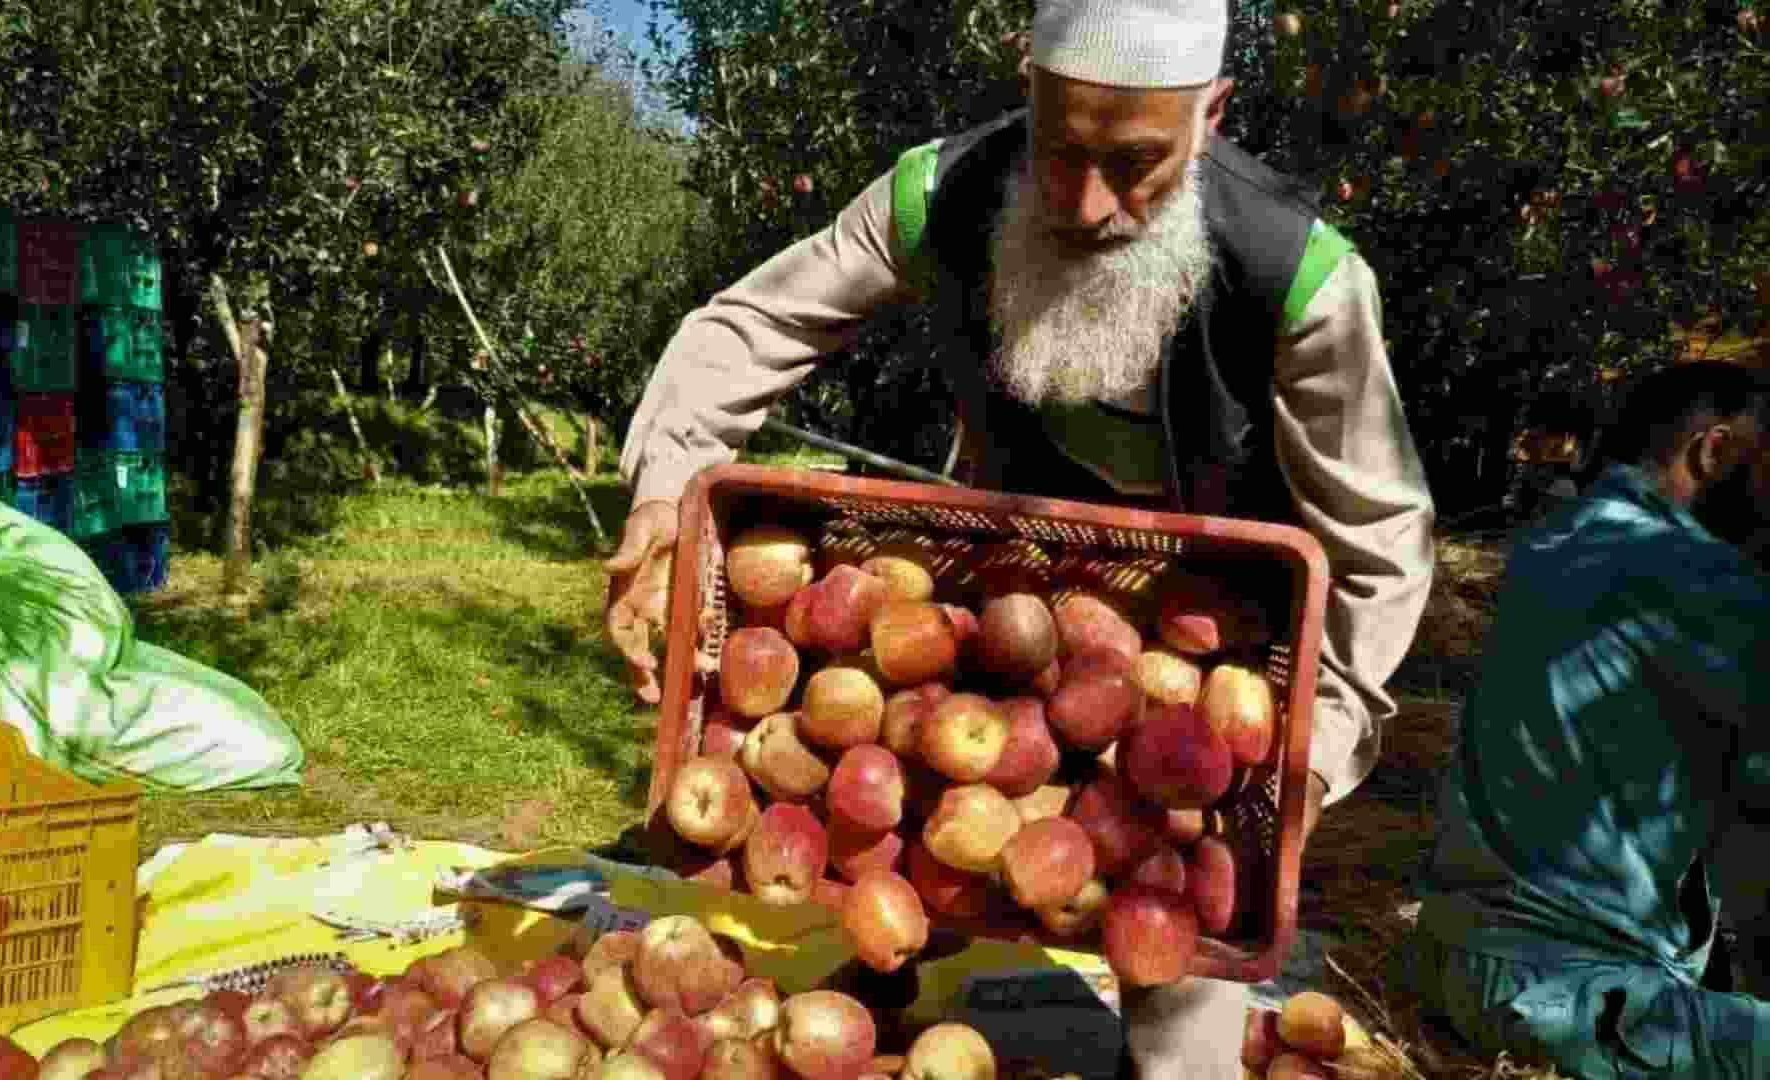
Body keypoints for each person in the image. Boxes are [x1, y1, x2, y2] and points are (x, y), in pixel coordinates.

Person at [604, 0, 1437, 1075]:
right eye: (1060, 148)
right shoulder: (938, 193)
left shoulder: (1301, 279)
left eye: (1136, 163)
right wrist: (664, 498)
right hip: (986, 610)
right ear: (1025, 83)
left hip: (1210, 650)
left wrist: (1310, 757)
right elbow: (748, 329)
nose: (1088, 204)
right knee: (903, 892)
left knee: (1182, 985)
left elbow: (1376, 540)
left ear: (1213, 112)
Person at [1404, 360, 1770, 1079]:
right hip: (1574, 993)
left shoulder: (1555, 540)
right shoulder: (1705, 581)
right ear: (1715, 451)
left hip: (1458, 960)